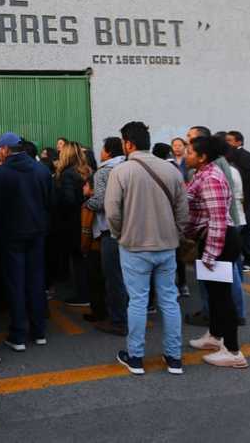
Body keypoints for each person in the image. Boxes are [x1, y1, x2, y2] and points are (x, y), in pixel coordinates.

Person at [105, 121, 188, 376]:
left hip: (134, 246)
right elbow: (182, 211)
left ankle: (136, 357)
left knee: (138, 301)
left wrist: (121, 234)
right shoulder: (171, 170)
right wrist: (175, 233)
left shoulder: (121, 171)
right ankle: (174, 358)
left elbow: (112, 212)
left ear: (128, 144)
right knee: (169, 301)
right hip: (166, 245)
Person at [184, 135, 249, 368]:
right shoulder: (201, 174)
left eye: (190, 152)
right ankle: (214, 336)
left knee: (222, 297)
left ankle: (233, 352)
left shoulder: (211, 178)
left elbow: (218, 220)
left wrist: (210, 254)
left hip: (220, 241)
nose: (185, 155)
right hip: (211, 240)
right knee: (214, 294)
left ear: (202, 157)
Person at [0, 132, 52, 353]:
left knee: (16, 284)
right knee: (36, 281)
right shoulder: (42, 170)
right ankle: (39, 331)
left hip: (11, 235)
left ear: (5, 150)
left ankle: (18, 335)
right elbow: (49, 201)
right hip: (37, 233)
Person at [83, 137, 127, 335]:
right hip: (131, 229)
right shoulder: (129, 167)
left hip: (110, 230)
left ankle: (117, 319)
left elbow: (100, 201)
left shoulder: (104, 172)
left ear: (107, 152)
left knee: (113, 276)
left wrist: (86, 202)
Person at [54, 141, 92, 307]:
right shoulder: (86, 170)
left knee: (77, 260)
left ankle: (82, 294)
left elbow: (69, 200)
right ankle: (86, 292)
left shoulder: (67, 174)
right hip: (85, 221)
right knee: (84, 259)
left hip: (73, 222)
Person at [226, 131, 250, 271]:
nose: (227, 142)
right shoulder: (233, 156)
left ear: (238, 142)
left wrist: (243, 200)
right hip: (240, 201)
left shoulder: (246, 157)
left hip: (244, 201)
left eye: (229, 140)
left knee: (246, 229)